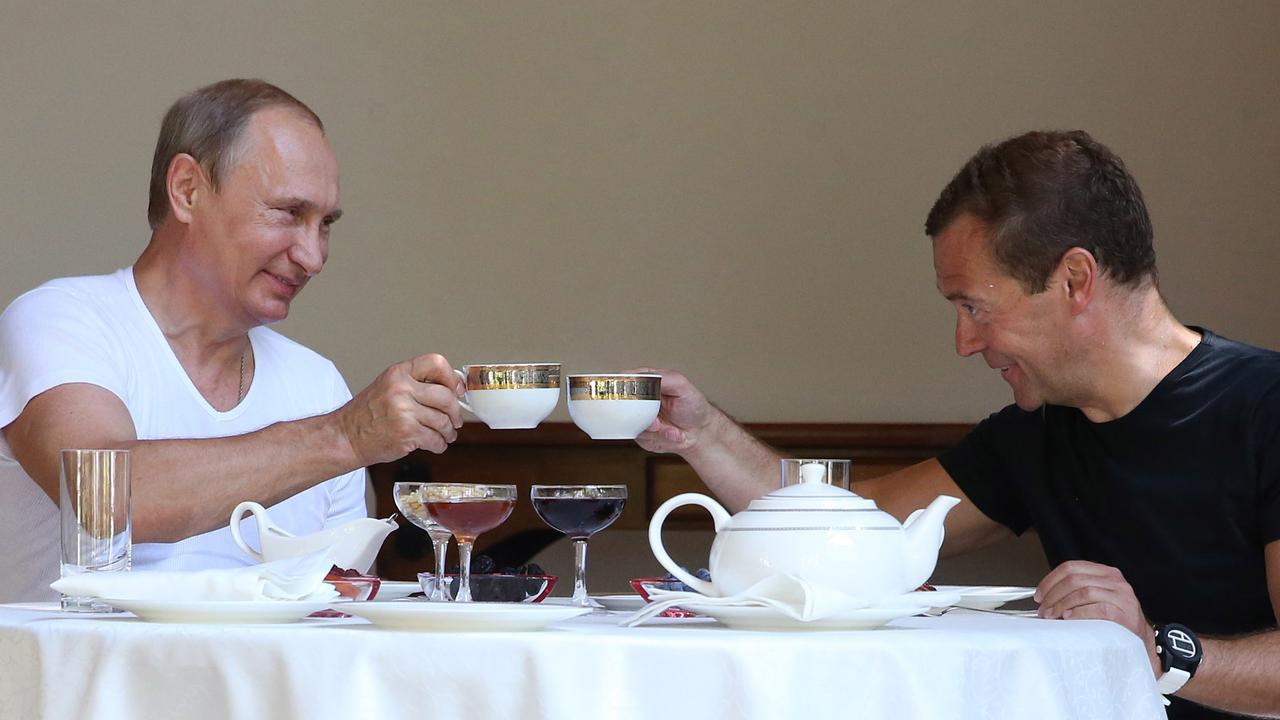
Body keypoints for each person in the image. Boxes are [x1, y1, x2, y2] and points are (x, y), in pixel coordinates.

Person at [635, 131, 1279, 719]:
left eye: (975, 306)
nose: (964, 342)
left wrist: (1159, 651)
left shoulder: (1267, 407)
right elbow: (840, 531)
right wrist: (701, 434)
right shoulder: (1035, 434)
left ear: (1075, 278)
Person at [0, 79, 466, 602]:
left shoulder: (317, 384)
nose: (313, 257)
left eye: (325, 224)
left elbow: (341, 611)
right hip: (80, 685)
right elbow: (102, 498)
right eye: (288, 213)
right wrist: (345, 436)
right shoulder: (61, 319)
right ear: (187, 190)